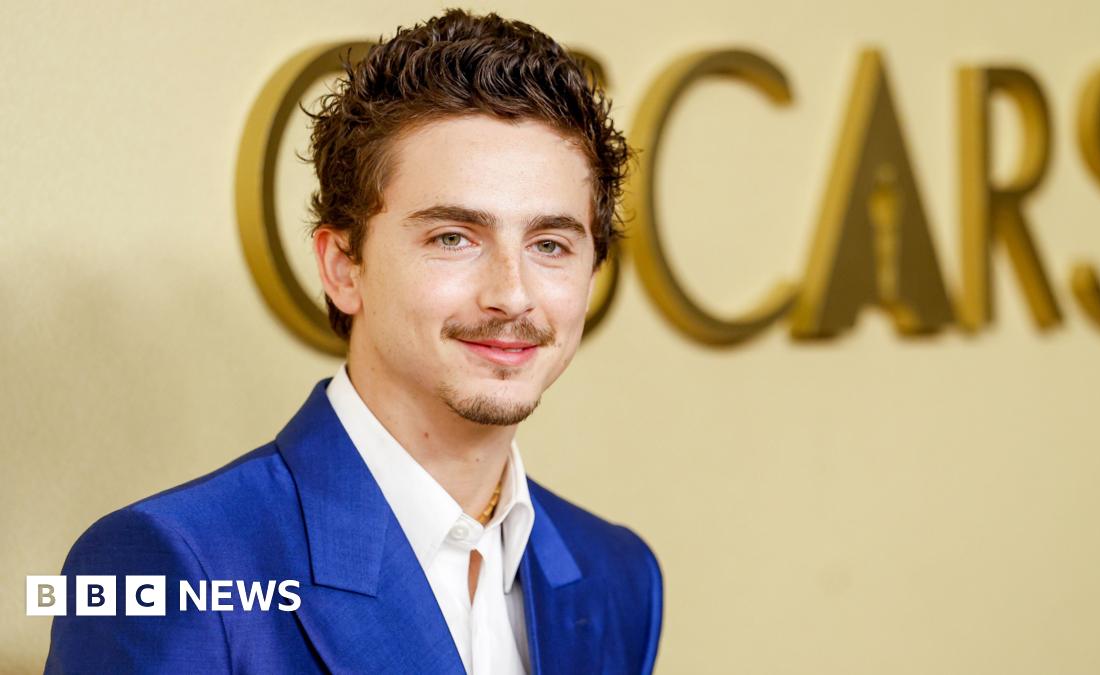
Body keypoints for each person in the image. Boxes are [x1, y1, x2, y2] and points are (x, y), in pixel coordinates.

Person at [44, 9, 663, 674]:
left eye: (550, 244)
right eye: (452, 237)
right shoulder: (171, 563)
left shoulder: (619, 577)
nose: (511, 294)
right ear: (344, 266)